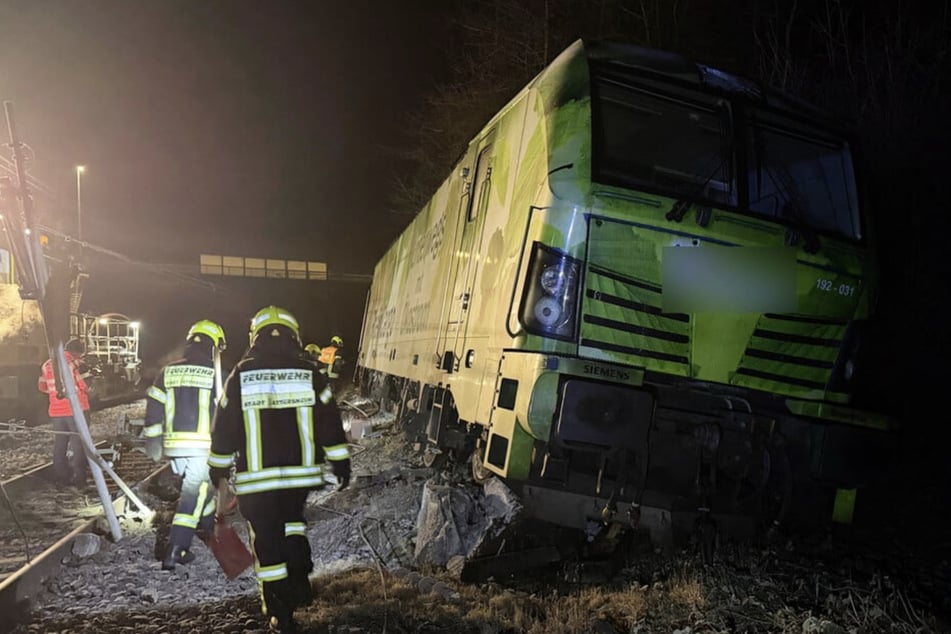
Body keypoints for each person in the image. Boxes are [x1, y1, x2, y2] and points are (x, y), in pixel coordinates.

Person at [208, 305, 351, 634]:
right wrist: (340, 460)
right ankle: (300, 579)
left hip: (258, 483)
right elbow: (329, 420)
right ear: (294, 336)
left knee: (268, 545)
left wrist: (218, 468)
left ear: (255, 337)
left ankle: (280, 613)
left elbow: (225, 426)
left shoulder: (241, 374)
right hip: (298, 480)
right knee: (293, 525)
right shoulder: (310, 372)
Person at [143, 319, 227, 571]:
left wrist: (153, 442)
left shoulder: (168, 372)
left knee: (204, 491)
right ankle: (176, 550)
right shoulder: (216, 375)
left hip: (175, 448)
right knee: (192, 496)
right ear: (213, 347)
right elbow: (224, 414)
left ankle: (212, 530)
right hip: (203, 447)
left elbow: (154, 407)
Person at [38, 338, 91, 487]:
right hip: (76, 410)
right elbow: (85, 386)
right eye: (80, 354)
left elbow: (42, 386)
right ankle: (79, 480)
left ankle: (62, 478)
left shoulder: (47, 364)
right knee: (78, 445)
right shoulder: (74, 364)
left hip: (56, 412)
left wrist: (54, 395)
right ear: (76, 353)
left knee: (60, 445)